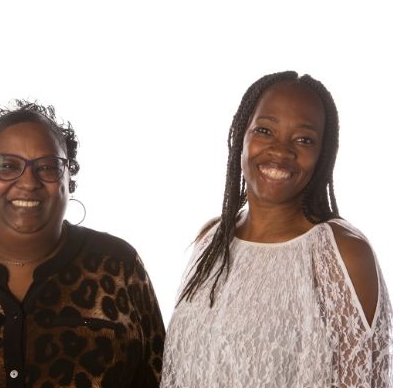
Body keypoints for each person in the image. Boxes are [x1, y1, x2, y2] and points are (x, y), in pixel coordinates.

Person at [0, 101, 165, 388]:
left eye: (47, 167)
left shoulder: (118, 266)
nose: (28, 182)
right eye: (7, 166)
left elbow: (165, 377)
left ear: (68, 179)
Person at [160, 71, 393, 387]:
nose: (281, 151)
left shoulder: (342, 255)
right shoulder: (211, 240)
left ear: (323, 154)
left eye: (304, 139)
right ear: (241, 135)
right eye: (265, 130)